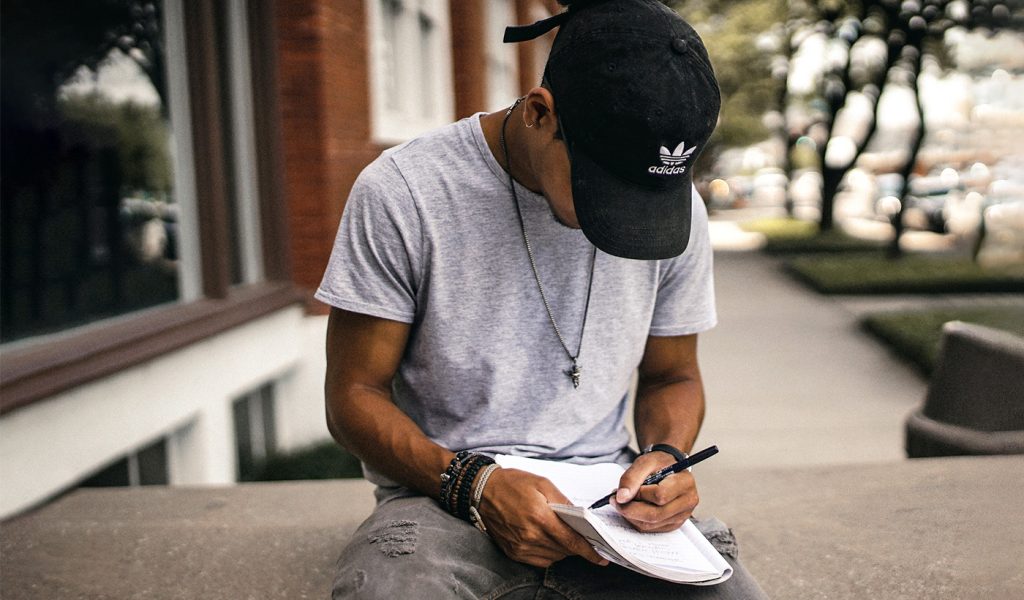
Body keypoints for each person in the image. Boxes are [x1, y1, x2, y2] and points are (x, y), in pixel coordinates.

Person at [316, 0, 768, 597]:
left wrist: (666, 456)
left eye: (645, 198)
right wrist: (472, 484)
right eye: (602, 190)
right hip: (444, 495)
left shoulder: (681, 214)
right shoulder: (405, 191)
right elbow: (353, 395)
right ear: (538, 113)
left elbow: (672, 375)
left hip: (609, 508)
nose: (623, 222)